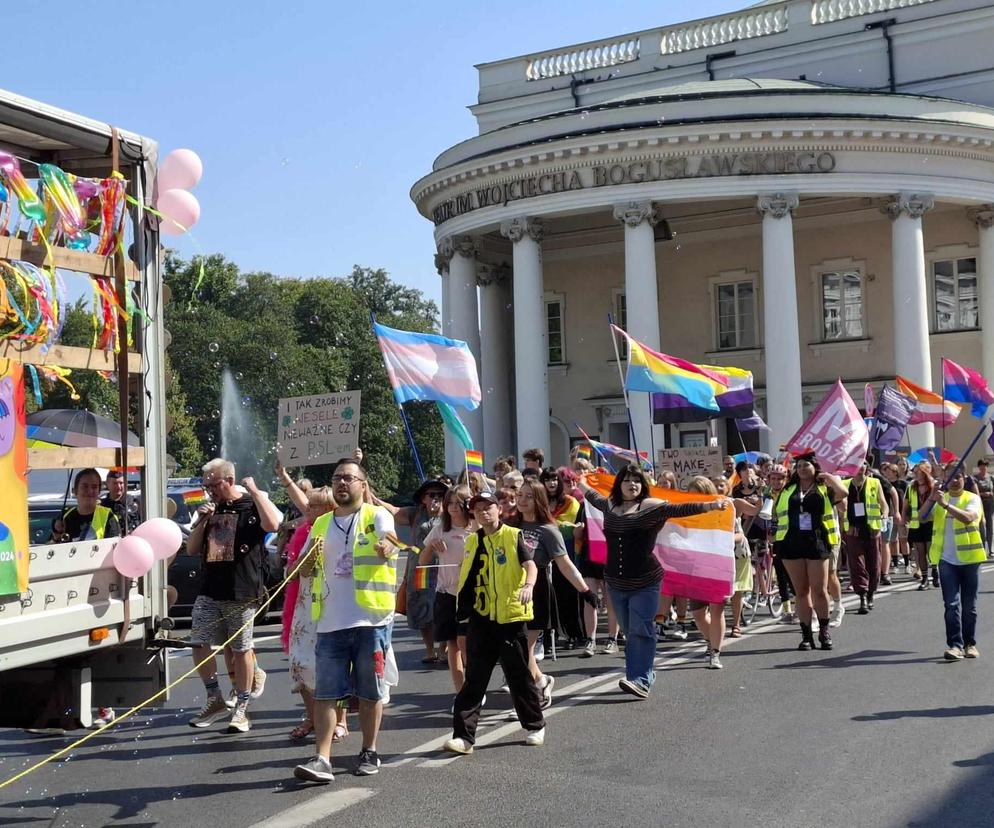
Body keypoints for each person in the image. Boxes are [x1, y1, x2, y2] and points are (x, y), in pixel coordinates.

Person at [578, 465, 729, 698]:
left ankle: (641, 679)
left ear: (643, 485)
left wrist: (710, 505)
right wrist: (578, 481)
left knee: (642, 629)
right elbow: (591, 495)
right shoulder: (610, 505)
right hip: (616, 582)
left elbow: (682, 508)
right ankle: (639, 675)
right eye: (627, 480)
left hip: (645, 581)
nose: (632, 484)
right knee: (630, 632)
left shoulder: (651, 507)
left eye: (637, 480)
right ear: (619, 484)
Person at [294, 459, 398, 782]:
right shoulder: (322, 523)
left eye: (349, 478)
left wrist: (386, 546)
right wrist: (306, 562)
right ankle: (321, 758)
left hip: (370, 621)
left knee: (370, 692)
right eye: (337, 478)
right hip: (329, 622)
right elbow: (300, 571)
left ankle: (369, 750)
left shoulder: (375, 515)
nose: (342, 483)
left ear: (362, 485)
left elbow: (392, 540)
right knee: (326, 693)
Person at [443, 492, 546, 754]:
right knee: (475, 678)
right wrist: (462, 612)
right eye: (477, 510)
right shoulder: (472, 541)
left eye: (488, 508)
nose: (483, 513)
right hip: (482, 616)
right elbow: (467, 577)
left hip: (510, 616)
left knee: (518, 675)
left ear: (498, 510)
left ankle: (535, 725)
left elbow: (531, 566)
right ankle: (463, 738)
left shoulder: (514, 535)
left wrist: (528, 585)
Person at [186, 459, 282, 734]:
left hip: (242, 588)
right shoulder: (211, 508)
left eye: (214, 485)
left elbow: (274, 524)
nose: (210, 491)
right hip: (210, 588)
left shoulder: (251, 504)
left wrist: (255, 492)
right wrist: (202, 521)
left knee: (240, 650)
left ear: (229, 480)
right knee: (198, 641)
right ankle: (214, 697)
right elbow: (192, 549)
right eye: (206, 486)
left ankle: (241, 708)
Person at [517, 479, 598, 706]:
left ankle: (530, 697)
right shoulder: (510, 525)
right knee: (516, 650)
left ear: (539, 500)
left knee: (524, 649)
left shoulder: (548, 530)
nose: (522, 500)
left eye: (528, 496)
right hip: (511, 590)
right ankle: (541, 681)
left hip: (538, 590)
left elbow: (565, 565)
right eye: (520, 495)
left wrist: (584, 591)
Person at [772, 453, 847, 651]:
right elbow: (776, 513)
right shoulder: (789, 489)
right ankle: (806, 635)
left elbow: (843, 493)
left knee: (819, 590)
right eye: (799, 466)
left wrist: (829, 477)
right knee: (801, 592)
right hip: (791, 542)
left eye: (807, 465)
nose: (803, 468)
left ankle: (824, 630)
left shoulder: (824, 488)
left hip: (817, 541)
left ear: (815, 467)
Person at [283, 486, 337, 741]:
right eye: (309, 505)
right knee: (299, 662)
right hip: (304, 607)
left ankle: (340, 719)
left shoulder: (335, 531)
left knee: (330, 667)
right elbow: (295, 571)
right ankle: (311, 716)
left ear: (329, 509)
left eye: (314, 506)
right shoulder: (308, 532)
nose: (308, 509)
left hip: (329, 607)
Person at [375, 477, 448, 663]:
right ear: (423, 498)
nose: (436, 498)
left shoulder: (451, 513)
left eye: (440, 495)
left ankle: (444, 648)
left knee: (444, 607)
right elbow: (389, 509)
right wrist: (366, 487)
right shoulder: (414, 514)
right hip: (420, 569)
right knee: (422, 608)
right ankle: (430, 649)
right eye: (432, 495)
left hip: (444, 568)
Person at [927, 463, 985, 660]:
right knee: (951, 605)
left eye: (958, 476)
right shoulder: (939, 498)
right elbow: (921, 516)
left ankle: (970, 644)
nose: (954, 480)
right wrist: (932, 496)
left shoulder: (973, 498)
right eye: (950, 476)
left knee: (970, 607)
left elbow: (969, 518)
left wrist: (945, 505)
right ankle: (955, 645)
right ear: (944, 477)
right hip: (946, 561)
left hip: (970, 560)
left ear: (964, 477)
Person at [421, 485, 474, 696]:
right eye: (449, 503)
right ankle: (461, 690)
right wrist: (432, 547)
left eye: (457, 503)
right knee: (452, 644)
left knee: (467, 642)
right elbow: (423, 561)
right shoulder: (440, 529)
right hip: (446, 594)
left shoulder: (476, 528)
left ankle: (474, 684)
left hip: (471, 594)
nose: (452, 508)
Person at [541, 467, 588, 651]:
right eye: (547, 479)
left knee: (570, 595)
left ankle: (576, 633)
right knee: (553, 597)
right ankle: (558, 634)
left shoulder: (570, 502)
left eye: (554, 479)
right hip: (545, 555)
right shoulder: (540, 503)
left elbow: (575, 527)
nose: (551, 483)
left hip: (566, 553)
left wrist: (558, 527)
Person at [841, 461, 889, 614]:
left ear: (866, 468)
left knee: (874, 563)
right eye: (857, 464)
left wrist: (885, 516)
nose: (860, 468)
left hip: (872, 529)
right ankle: (861, 596)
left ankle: (870, 594)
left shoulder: (875, 482)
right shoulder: (845, 484)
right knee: (857, 564)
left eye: (863, 465)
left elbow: (883, 503)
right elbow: (840, 506)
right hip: (853, 530)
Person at [58, 468, 121, 542]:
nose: (90, 491)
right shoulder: (66, 517)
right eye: (85, 486)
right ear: (75, 490)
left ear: (99, 492)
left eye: (94, 487)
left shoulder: (109, 517)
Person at [905, 462, 938, 590]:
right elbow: (906, 504)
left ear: (925, 473)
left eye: (919, 472)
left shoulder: (933, 485)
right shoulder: (912, 486)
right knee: (920, 551)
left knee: (931, 550)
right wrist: (903, 519)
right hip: (916, 523)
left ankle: (935, 571)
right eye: (915, 472)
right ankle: (924, 578)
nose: (917, 474)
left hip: (931, 522)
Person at [101, 469, 140, 533]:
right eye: (115, 483)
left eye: (121, 483)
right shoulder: (102, 506)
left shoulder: (134, 503)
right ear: (107, 484)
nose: (118, 487)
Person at [974, 459, 994, 556]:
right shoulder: (975, 478)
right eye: (981, 466)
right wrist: (983, 494)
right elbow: (973, 492)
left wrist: (990, 493)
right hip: (979, 505)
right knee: (981, 528)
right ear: (979, 467)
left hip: (990, 505)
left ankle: (990, 550)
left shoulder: (991, 477)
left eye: (985, 466)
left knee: (990, 527)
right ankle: (982, 549)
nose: (983, 468)